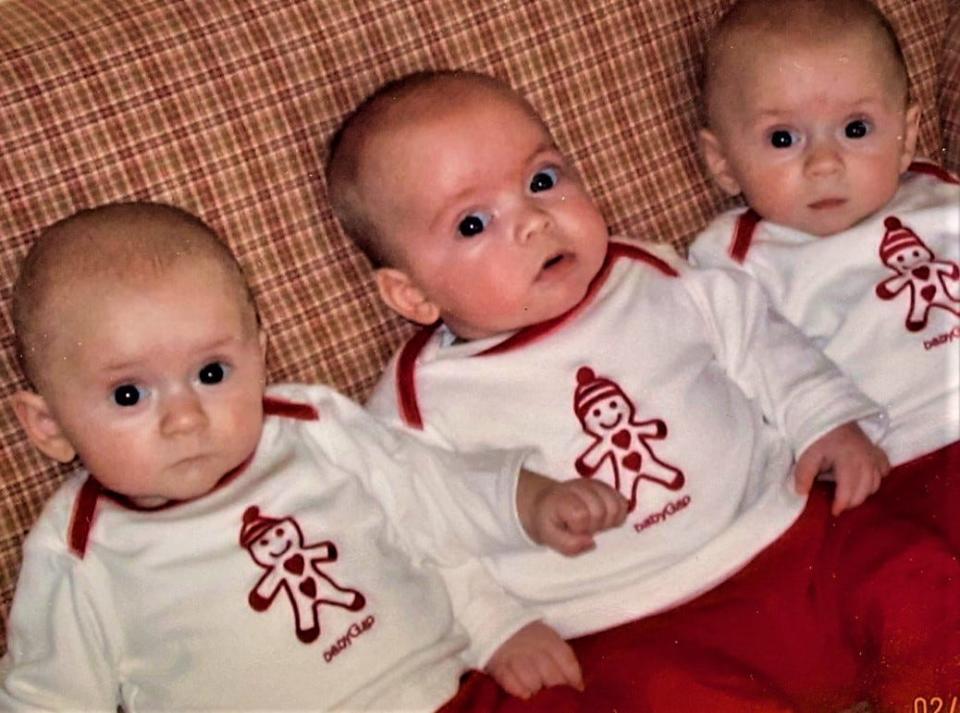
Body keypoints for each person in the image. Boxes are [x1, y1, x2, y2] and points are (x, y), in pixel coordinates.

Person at [325, 69, 960, 709]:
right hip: (629, 627)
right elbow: (415, 536)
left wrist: (824, 420)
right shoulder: (419, 402)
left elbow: (756, 338)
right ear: (412, 294)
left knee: (911, 572)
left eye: (542, 180)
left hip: (784, 539)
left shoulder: (646, 273)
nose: (533, 221)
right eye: (472, 224)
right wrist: (496, 629)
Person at [0, 201, 629, 711]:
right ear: (49, 425)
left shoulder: (311, 427)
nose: (186, 417)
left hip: (452, 690)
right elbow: (47, 699)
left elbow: (429, 509)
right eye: (129, 393)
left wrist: (503, 614)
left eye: (213, 372)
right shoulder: (80, 551)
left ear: (259, 354)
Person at [689, 0, 959, 473]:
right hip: (898, 454)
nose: (824, 164)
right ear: (723, 163)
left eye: (856, 129)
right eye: (782, 139)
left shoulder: (942, 194)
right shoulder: (737, 259)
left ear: (907, 136)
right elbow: (754, 359)